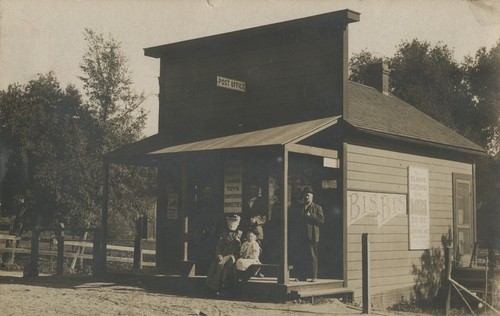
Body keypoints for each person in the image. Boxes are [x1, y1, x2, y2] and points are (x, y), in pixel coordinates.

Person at [293, 187, 324, 282]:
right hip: (301, 236)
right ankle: (302, 276)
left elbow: (321, 220)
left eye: (309, 196)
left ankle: (314, 276)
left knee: (312, 256)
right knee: (302, 256)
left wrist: (312, 216)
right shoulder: (300, 208)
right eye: (305, 195)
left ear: (312, 197)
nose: (307, 197)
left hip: (312, 236)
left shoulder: (317, 207)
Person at [206, 214, 242, 294]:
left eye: (234, 222)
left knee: (224, 265)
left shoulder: (241, 234)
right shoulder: (224, 233)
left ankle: (223, 287)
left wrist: (239, 243)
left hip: (235, 255)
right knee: (214, 265)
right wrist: (219, 255)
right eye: (230, 222)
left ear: (238, 223)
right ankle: (211, 287)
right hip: (224, 255)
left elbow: (244, 247)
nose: (232, 224)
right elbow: (219, 246)